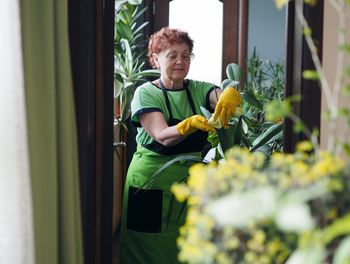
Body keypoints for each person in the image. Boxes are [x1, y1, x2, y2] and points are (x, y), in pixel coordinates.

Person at [119, 27, 242, 264]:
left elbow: (222, 99)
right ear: (155, 58)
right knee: (146, 248)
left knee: (188, 247)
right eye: (172, 55)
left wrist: (231, 94)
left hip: (189, 185)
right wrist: (189, 124)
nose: (180, 61)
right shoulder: (144, 93)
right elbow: (162, 135)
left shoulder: (198, 89)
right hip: (151, 181)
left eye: (186, 55)